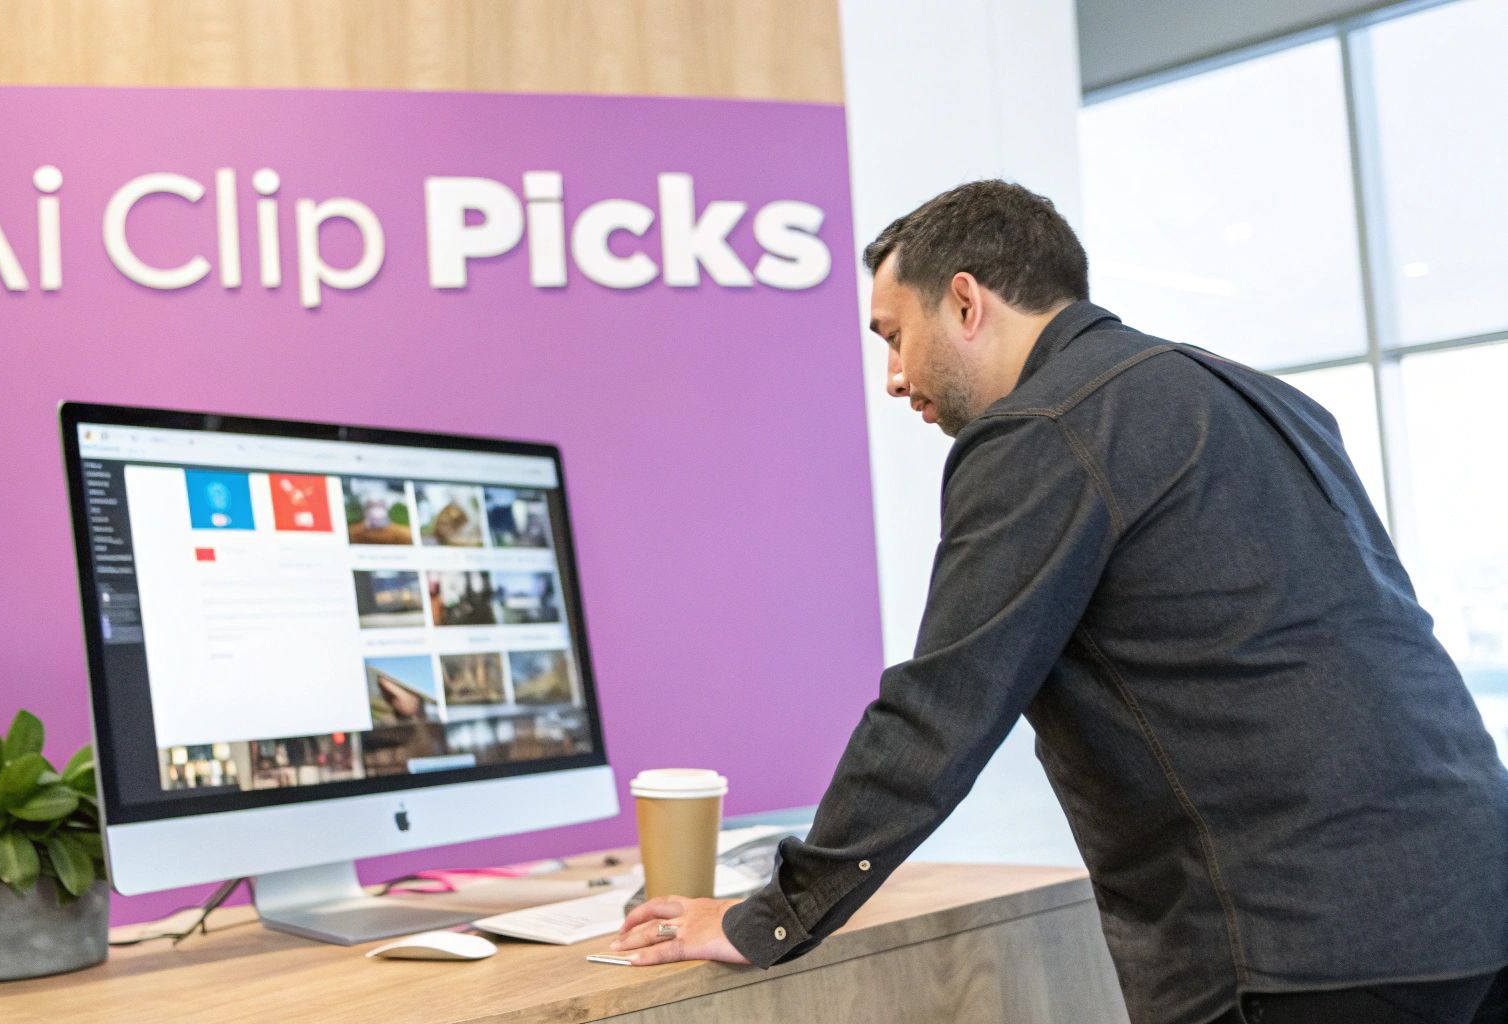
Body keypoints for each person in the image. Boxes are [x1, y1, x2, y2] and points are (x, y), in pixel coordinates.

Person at [609, 181, 1508, 1024]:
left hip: (1302, 944)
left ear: (966, 302)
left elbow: (942, 707)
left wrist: (771, 914)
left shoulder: (1044, 429)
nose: (892, 377)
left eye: (892, 334)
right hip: (1473, 905)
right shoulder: (1263, 398)